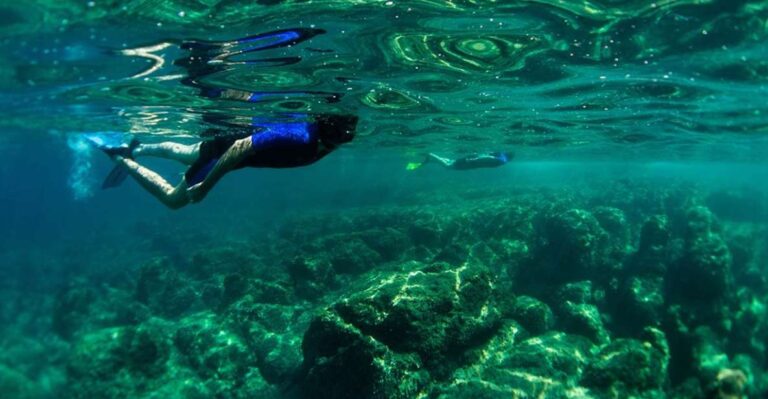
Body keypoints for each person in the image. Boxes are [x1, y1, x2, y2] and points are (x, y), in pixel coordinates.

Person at [86, 114, 357, 209]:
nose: (344, 140)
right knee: (174, 201)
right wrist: (205, 186)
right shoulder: (298, 136)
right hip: (224, 152)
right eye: (339, 137)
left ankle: (138, 147)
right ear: (326, 128)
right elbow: (240, 147)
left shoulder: (329, 137)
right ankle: (122, 159)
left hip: (225, 144)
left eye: (347, 136)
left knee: (184, 153)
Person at [407, 151, 511, 170]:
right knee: (448, 166)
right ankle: (430, 155)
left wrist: (474, 159)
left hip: (469, 163)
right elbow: (488, 158)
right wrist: (474, 159)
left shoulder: (501, 159)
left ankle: (430, 159)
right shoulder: (501, 160)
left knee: (450, 163)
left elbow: (487, 158)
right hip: (469, 163)